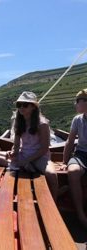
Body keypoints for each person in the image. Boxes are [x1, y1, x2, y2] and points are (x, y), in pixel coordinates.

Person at [0, 91, 58, 200]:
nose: (21, 107)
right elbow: (16, 144)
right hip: (23, 153)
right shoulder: (18, 121)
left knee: (52, 174)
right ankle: (19, 165)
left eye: (25, 105)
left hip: (39, 157)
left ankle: (54, 201)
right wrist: (13, 152)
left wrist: (27, 160)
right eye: (19, 105)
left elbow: (44, 149)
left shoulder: (42, 124)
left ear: (33, 107)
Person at [63, 88, 87, 227]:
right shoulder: (77, 120)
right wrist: (65, 161)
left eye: (78, 101)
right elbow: (70, 141)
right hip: (81, 154)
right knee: (72, 171)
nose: (75, 104)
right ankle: (81, 215)